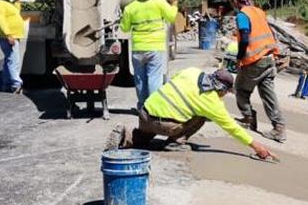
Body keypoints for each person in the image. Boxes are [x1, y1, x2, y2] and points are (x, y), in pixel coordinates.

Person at [109, 67, 276, 161]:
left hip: (145, 112)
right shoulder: (211, 101)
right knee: (201, 116)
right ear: (222, 89)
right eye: (226, 92)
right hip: (165, 125)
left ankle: (126, 136)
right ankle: (175, 142)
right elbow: (232, 128)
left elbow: (173, 78)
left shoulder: (192, 71)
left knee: (144, 138)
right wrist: (257, 146)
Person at [227, 0, 286, 142]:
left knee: (240, 89)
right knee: (268, 94)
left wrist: (239, 57)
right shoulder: (258, 12)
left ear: (235, 0)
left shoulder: (242, 15)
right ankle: (279, 128)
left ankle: (248, 119)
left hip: (254, 61)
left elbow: (245, 38)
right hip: (269, 58)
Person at [120, 0, 179, 109]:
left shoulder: (130, 8)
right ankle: (153, 108)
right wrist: (174, 4)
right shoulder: (158, 1)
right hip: (155, 48)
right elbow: (171, 17)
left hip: (138, 49)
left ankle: (142, 107)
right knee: (154, 78)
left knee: (140, 80)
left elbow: (124, 28)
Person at [0, 0, 27, 94]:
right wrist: (9, 34)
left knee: (9, 60)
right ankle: (16, 84)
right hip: (9, 36)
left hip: (14, 35)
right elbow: (1, 20)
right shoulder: (0, 4)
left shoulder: (10, 4)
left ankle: (7, 83)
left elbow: (17, 11)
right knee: (14, 61)